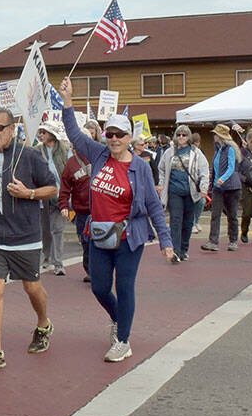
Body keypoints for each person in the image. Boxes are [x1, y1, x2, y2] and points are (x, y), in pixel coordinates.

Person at [61, 79, 174, 362]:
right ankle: (118, 320)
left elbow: (153, 207)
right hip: (99, 234)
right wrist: (67, 101)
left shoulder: (140, 168)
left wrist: (166, 241)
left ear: (129, 138)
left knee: (124, 287)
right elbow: (74, 134)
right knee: (99, 287)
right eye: (110, 134)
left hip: (128, 238)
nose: (114, 139)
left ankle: (123, 340)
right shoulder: (99, 154)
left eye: (120, 135)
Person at [0, 107, 58, 375]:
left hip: (25, 235)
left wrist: (28, 193)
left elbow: (53, 188)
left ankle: (44, 324)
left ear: (12, 129)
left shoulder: (29, 156)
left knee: (32, 288)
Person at [156, 125, 210, 263]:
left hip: (191, 192)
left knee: (187, 223)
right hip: (174, 191)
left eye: (184, 135)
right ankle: (176, 251)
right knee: (175, 220)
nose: (181, 137)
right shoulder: (169, 152)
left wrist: (204, 187)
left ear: (189, 137)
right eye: (178, 134)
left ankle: (184, 249)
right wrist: (161, 183)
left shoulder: (196, 152)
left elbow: (204, 171)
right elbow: (161, 168)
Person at [34, 120, 70, 276]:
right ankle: (46, 257)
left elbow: (69, 174)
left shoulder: (65, 151)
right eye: (40, 132)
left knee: (58, 230)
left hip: (60, 196)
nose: (41, 135)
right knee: (45, 230)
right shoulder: (36, 151)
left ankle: (58, 263)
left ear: (52, 135)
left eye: (44, 132)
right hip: (43, 195)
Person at [201, 123, 243, 252]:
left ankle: (233, 240)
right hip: (218, 188)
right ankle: (213, 241)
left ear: (220, 136)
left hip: (231, 187)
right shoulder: (218, 150)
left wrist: (222, 179)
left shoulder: (230, 149)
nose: (214, 136)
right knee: (215, 214)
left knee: (232, 215)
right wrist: (213, 183)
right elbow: (215, 168)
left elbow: (231, 167)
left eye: (215, 134)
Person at [58, 133, 93, 282]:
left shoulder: (100, 156)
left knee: (100, 241)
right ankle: (90, 270)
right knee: (86, 241)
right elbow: (65, 186)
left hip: (101, 209)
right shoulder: (71, 164)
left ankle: (100, 270)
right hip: (82, 210)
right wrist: (64, 205)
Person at [188, 132, 206, 233]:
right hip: (191, 182)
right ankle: (193, 223)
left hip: (198, 182)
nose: (196, 145)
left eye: (197, 142)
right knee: (193, 203)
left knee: (201, 202)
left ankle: (196, 221)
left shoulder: (200, 152)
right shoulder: (189, 152)